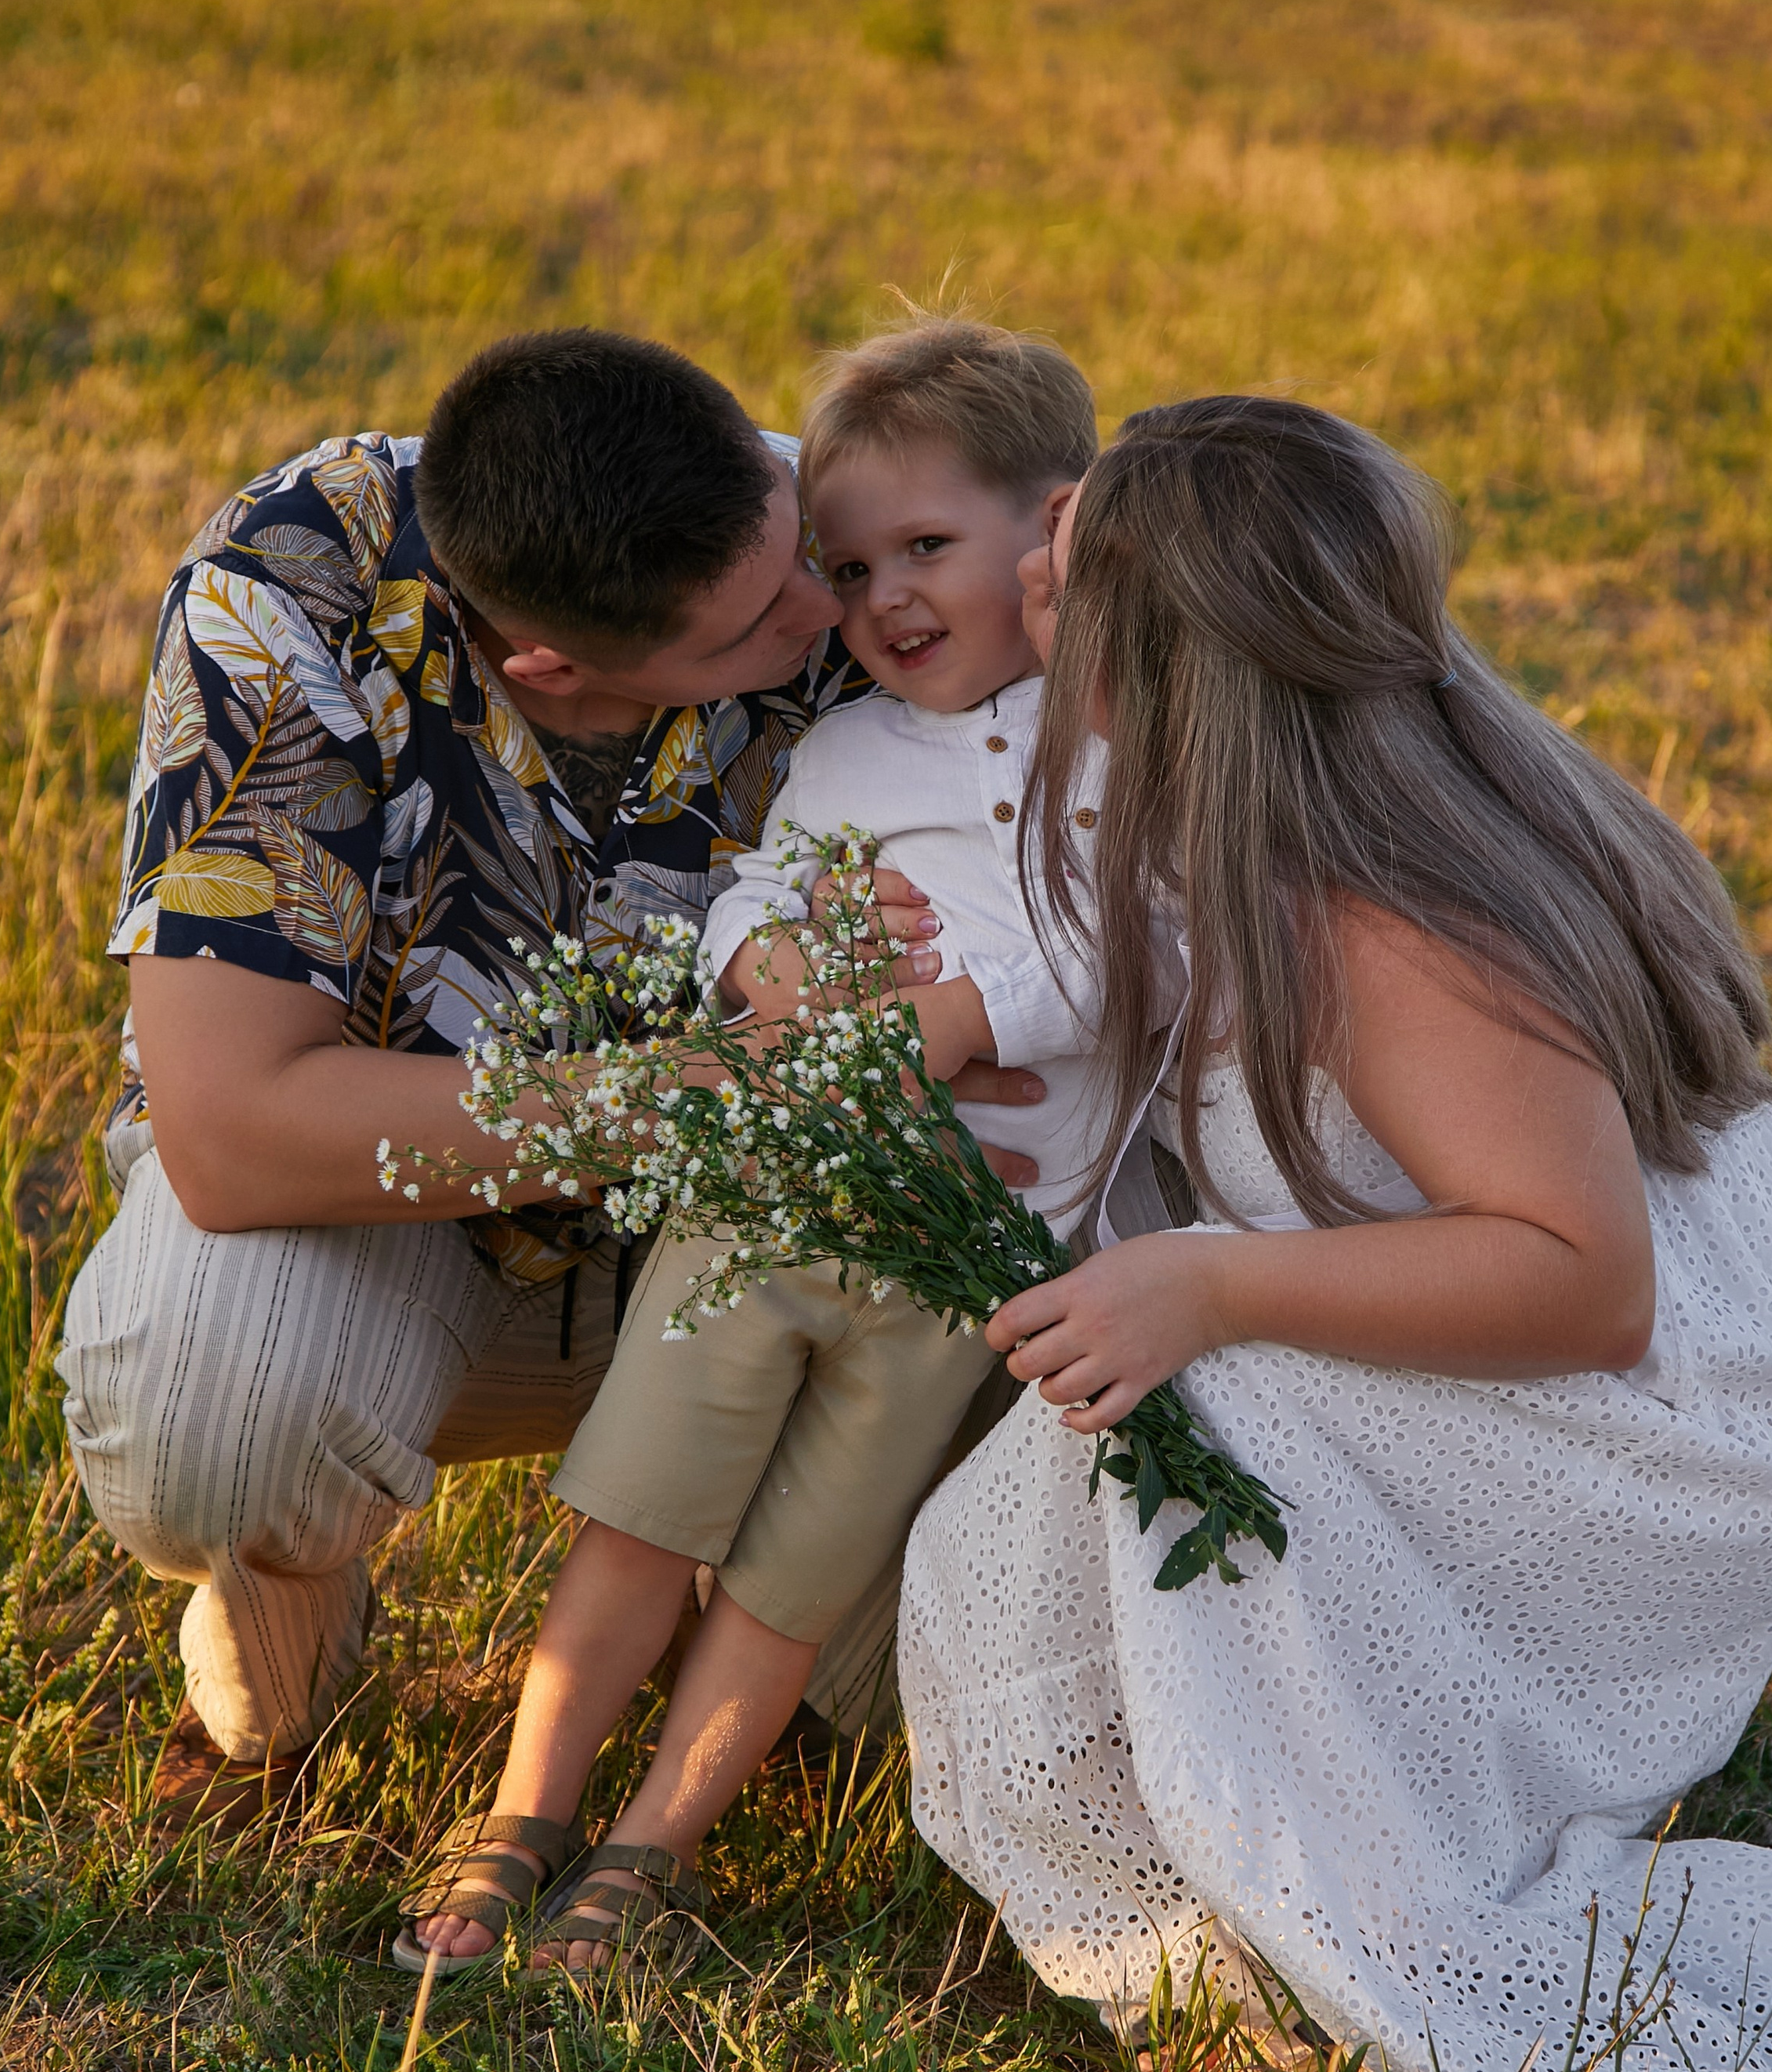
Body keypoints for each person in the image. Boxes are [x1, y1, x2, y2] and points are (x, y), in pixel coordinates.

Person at [899, 394, 1772, 2072]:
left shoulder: (1379, 921)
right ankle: (1237, 1796)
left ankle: (1345, 1891)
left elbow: (1582, 1284)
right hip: (1587, 1338)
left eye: (1061, 568)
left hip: (1668, 1411)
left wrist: (1213, 1283)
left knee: (1208, 1421)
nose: (1024, 572)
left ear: (1152, 664)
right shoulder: (1286, 797)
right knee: (1051, 1495)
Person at [59, 327, 1040, 1827]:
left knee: (989, 1653)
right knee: (213, 1411)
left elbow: (1175, 611)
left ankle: (727, 1610)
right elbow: (232, 1133)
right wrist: (710, 1095)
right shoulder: (303, 576)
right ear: (551, 666)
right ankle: (289, 1600)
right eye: (753, 627)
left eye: (802, 552)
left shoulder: (838, 524)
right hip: (405, 1240)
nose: (828, 609)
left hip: (790, 1249)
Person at [400, 317, 1102, 1975]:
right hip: (773, 1201)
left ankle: (651, 1849)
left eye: (925, 547)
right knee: (638, 1514)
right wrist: (765, 961)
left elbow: (1143, 953)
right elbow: (759, 885)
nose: (880, 603)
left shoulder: (1131, 742)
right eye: (849, 569)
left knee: (795, 1578)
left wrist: (941, 1022)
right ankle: (522, 1811)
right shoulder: (849, 742)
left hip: (966, 1263)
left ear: (1057, 531)